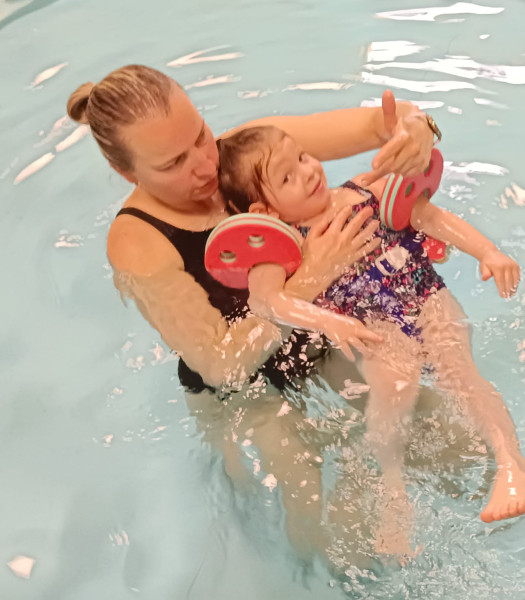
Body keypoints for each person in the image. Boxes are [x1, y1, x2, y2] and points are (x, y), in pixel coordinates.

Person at [66, 64, 444, 561]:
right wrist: (309, 277)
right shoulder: (137, 242)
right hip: (244, 393)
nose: (205, 166)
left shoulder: (244, 155)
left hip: (310, 338)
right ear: (127, 174)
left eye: (200, 135)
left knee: (447, 440)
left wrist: (417, 129)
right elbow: (219, 364)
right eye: (174, 163)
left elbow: (383, 124)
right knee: (320, 522)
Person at [211, 125, 525, 557]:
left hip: (425, 297)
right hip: (373, 327)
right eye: (287, 176)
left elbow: (430, 218)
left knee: (462, 375)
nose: (308, 172)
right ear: (264, 210)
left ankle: (513, 466)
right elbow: (268, 302)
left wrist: (488, 252)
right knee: (392, 394)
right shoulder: (279, 250)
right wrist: (328, 322)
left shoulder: (366, 191)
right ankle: (394, 493)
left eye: (303, 156)